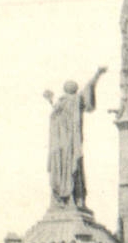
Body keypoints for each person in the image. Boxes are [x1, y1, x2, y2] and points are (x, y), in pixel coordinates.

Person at [45, 66, 107, 208]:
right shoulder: (68, 101)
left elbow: (88, 88)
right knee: (70, 168)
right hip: (67, 145)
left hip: (65, 146)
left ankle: (68, 198)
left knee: (69, 168)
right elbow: (89, 87)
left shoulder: (67, 102)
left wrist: (97, 75)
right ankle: (69, 199)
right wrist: (97, 74)